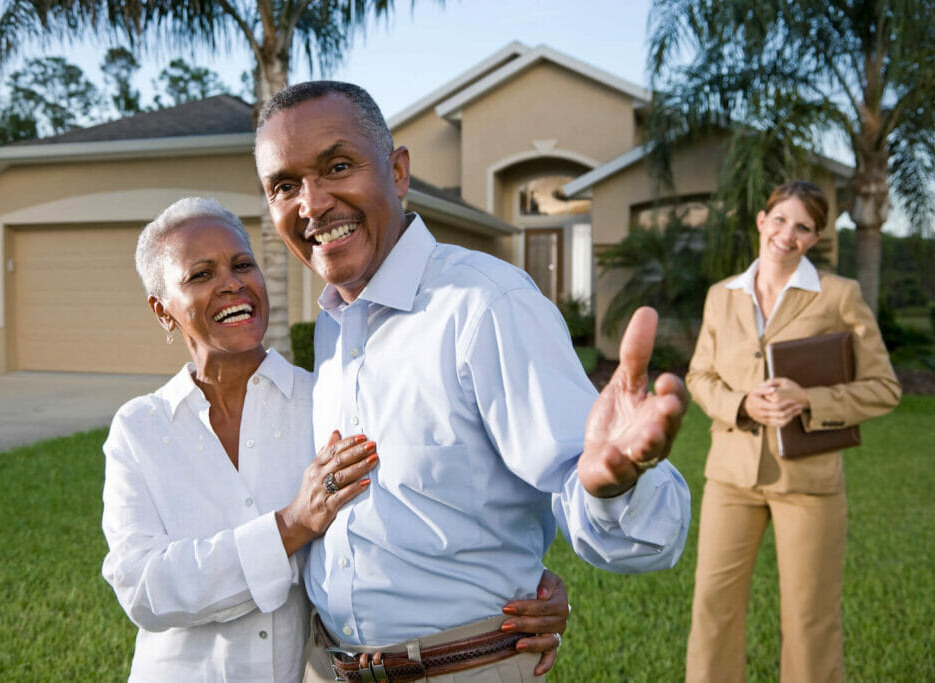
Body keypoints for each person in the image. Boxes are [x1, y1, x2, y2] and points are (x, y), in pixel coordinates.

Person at [253, 80, 693, 682]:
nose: (312, 202)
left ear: (399, 172)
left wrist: (612, 486)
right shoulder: (333, 327)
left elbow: (638, 529)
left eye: (337, 166)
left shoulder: (486, 306)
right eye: (285, 185)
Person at [100, 197, 571, 682]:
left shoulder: (323, 401)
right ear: (162, 310)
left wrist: (526, 586)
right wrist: (291, 526)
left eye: (243, 264)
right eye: (201, 274)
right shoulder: (139, 430)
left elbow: (404, 517)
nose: (232, 282)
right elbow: (142, 587)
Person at [683, 181, 901, 682]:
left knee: (809, 618)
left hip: (809, 484)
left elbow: (883, 387)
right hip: (731, 478)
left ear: (815, 238)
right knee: (713, 607)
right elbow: (700, 376)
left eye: (803, 227)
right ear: (762, 221)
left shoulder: (839, 295)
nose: (788, 234)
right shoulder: (722, 296)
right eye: (780, 220)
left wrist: (811, 400)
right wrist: (741, 403)